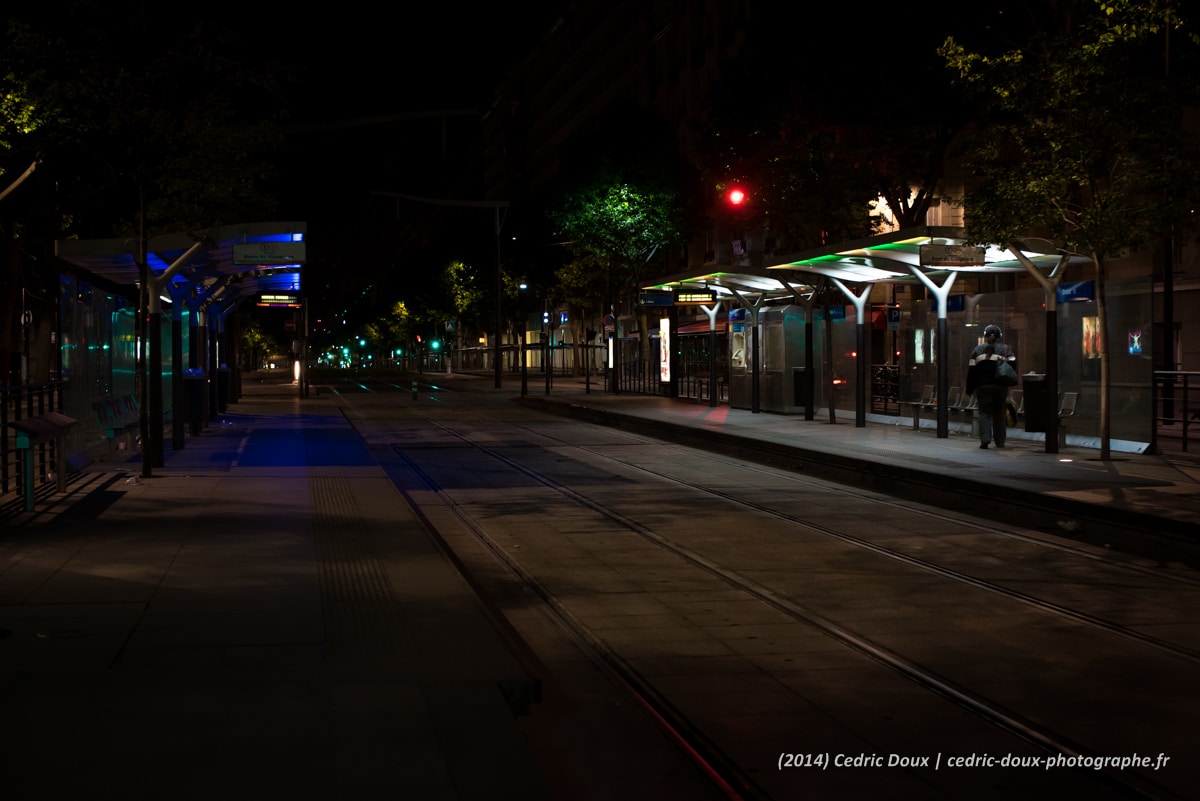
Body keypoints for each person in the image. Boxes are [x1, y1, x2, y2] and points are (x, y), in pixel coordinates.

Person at [966, 324, 1016, 449]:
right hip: (1000, 387)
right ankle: (1000, 442)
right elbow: (1013, 364)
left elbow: (971, 372)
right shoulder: (1005, 349)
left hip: (982, 387)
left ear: (985, 336)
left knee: (984, 413)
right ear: (999, 336)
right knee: (998, 413)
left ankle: (985, 440)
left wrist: (970, 388)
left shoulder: (976, 350)